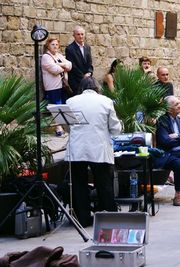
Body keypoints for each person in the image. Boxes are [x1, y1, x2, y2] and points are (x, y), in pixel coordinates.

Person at [65, 76, 122, 227]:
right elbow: (115, 129)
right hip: (99, 147)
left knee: (79, 184)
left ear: (81, 88)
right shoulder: (105, 101)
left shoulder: (71, 101)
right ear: (97, 88)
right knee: (104, 183)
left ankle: (82, 218)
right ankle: (108, 216)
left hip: (77, 148)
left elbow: (67, 127)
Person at [41, 37, 72, 136]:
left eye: (56, 44)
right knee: (55, 106)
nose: (55, 46)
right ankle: (58, 127)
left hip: (62, 85)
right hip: (52, 86)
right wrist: (64, 67)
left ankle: (62, 126)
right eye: (52, 44)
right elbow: (54, 70)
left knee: (62, 105)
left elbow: (70, 65)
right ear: (48, 46)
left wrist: (60, 64)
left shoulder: (59, 55)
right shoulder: (46, 57)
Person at [65, 26, 93, 95]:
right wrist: (83, 77)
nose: (80, 36)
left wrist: (89, 72)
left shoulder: (87, 47)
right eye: (78, 34)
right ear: (74, 35)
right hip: (76, 81)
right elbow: (73, 66)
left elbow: (89, 62)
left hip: (87, 80)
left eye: (82, 34)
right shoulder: (70, 49)